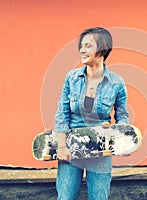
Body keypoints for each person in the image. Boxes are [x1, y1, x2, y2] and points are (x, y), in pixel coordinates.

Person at [54, 27, 129, 200]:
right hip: (70, 148)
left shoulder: (116, 83)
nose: (82, 50)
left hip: (101, 149)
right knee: (65, 197)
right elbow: (62, 112)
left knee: (99, 198)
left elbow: (122, 115)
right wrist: (62, 146)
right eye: (81, 46)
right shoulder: (71, 78)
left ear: (102, 49)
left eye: (88, 46)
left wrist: (124, 139)